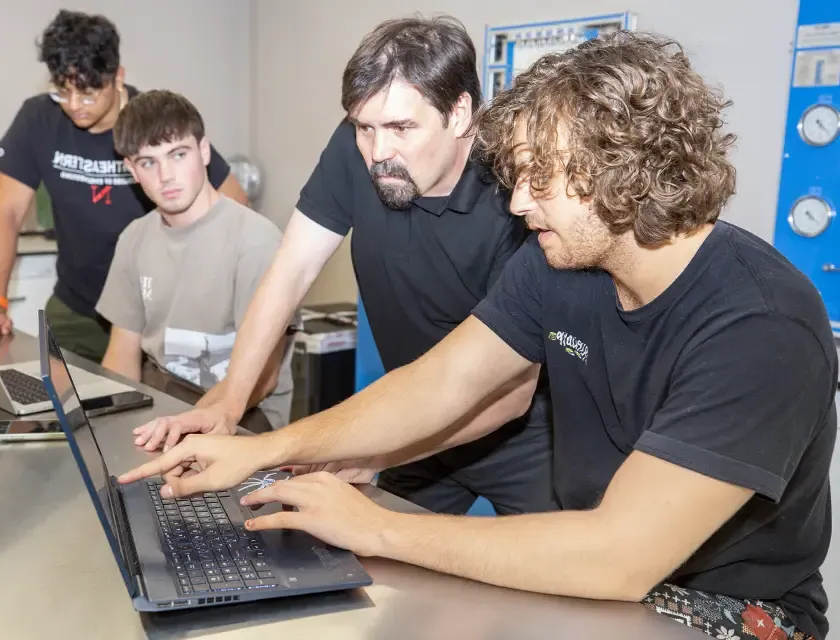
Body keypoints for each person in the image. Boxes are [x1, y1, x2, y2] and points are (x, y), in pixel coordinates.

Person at [119, 31, 835, 640]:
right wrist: (266, 449)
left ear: (623, 172)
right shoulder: (557, 261)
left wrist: (376, 529)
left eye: (541, 180)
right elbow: (441, 383)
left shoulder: (760, 324)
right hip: (605, 570)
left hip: (732, 608)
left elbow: (620, 554)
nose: (518, 202)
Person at [129, 15, 558, 517]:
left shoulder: (517, 192)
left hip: (520, 436)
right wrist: (229, 401)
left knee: (542, 590)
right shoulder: (362, 144)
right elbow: (289, 273)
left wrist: (377, 451)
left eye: (401, 127)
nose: (378, 153)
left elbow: (510, 392)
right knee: (377, 578)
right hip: (409, 414)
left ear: (460, 113)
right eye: (364, 127)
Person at [0, 9, 248, 362]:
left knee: (153, 411)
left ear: (117, 77)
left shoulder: (152, 122)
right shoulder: (38, 119)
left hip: (154, 313)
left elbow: (235, 208)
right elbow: (6, 212)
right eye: (62, 91)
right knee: (57, 411)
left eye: (88, 93)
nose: (74, 106)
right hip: (77, 307)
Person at [95, 90, 293, 431]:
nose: (165, 176)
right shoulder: (134, 239)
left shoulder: (257, 240)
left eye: (177, 154)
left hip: (245, 414)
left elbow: (265, 376)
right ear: (131, 169)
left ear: (203, 152)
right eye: (148, 162)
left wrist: (184, 426)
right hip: (163, 401)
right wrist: (108, 427)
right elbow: (122, 356)